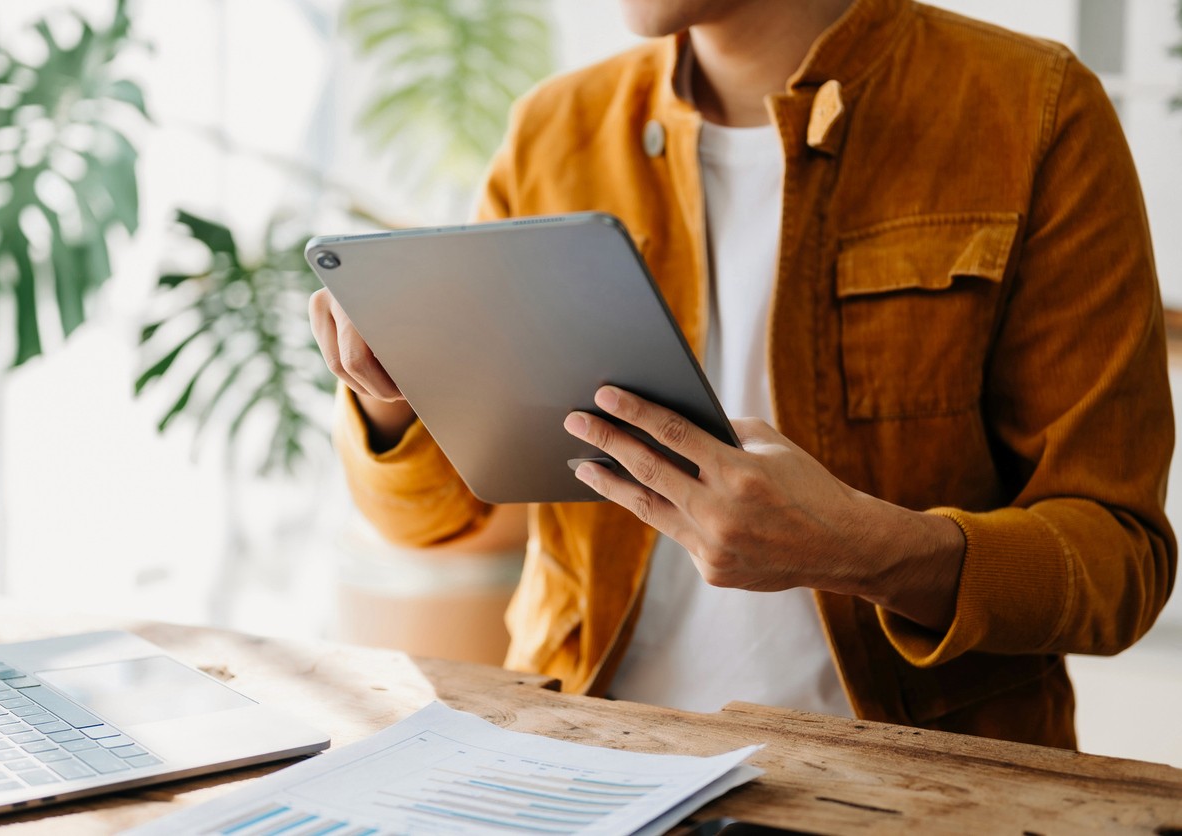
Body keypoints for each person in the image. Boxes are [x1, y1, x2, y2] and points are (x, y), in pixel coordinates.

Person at [309, 0, 1176, 747]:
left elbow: (1118, 565)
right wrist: (389, 398)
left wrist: (864, 550)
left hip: (909, 785)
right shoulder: (556, 128)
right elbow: (426, 522)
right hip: (583, 754)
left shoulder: (1031, 109)